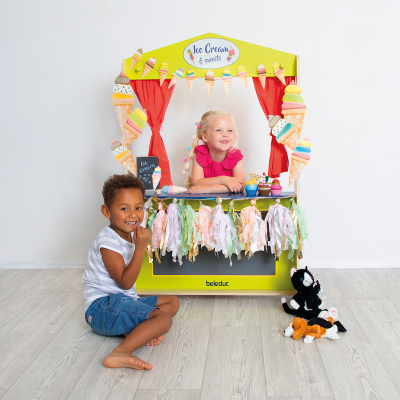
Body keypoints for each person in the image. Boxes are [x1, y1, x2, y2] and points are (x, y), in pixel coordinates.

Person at [81, 174, 180, 370]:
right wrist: (140, 247)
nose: (133, 215)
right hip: (101, 308)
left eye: (138, 208)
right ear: (106, 211)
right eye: (124, 209)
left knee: (171, 302)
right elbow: (125, 283)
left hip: (122, 301)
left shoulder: (129, 234)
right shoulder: (108, 241)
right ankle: (121, 352)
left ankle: (134, 331)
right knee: (163, 319)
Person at [185, 110, 246, 194]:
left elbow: (240, 186)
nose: (225, 134)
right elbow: (197, 182)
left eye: (229, 130)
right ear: (205, 137)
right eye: (219, 130)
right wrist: (224, 180)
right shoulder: (200, 154)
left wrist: (208, 189)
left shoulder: (234, 155)